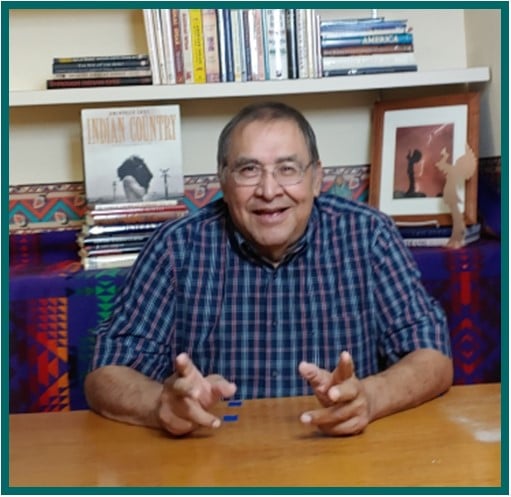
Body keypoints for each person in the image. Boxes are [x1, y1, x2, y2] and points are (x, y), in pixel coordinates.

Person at [85, 101, 453, 437]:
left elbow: (432, 355)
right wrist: (160, 404)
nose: (268, 189)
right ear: (224, 181)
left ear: (316, 178)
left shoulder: (369, 235)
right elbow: (105, 374)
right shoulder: (175, 246)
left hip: (342, 460)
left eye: (288, 169)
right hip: (213, 464)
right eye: (248, 170)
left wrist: (370, 398)